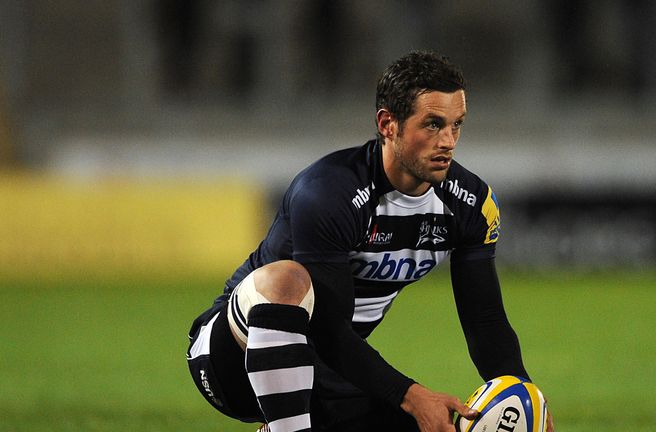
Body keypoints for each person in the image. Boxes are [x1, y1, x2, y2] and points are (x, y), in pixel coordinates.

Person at [186, 50, 554, 432]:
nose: (447, 141)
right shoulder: (328, 192)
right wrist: (411, 395)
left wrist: (524, 397)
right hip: (232, 357)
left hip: (328, 373)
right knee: (286, 280)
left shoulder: (471, 206)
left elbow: (485, 321)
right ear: (388, 124)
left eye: (456, 125)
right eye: (432, 124)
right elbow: (327, 329)